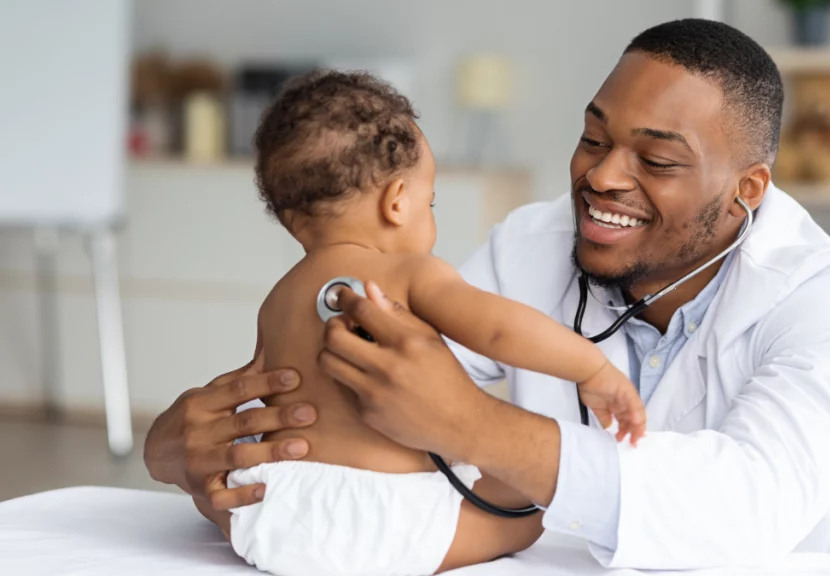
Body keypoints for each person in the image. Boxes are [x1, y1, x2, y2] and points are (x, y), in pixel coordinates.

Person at [145, 19, 830, 570]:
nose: (602, 176)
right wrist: (204, 448)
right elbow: (369, 390)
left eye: (657, 159)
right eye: (594, 138)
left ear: (747, 191)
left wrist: (476, 425)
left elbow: (748, 508)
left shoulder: (829, 298)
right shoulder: (531, 245)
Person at [216, 70, 645, 575]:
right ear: (397, 201)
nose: (430, 213)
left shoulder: (278, 298)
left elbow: (262, 389)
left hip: (279, 509)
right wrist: (591, 368)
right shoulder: (408, 272)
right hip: (388, 521)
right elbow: (497, 330)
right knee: (531, 511)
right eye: (430, 201)